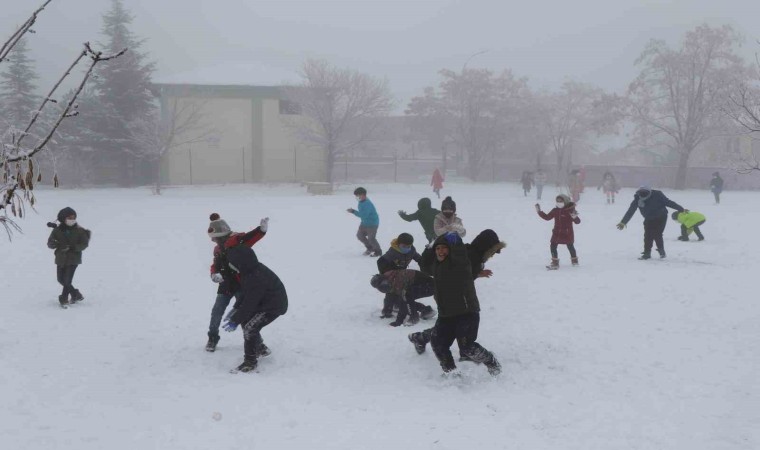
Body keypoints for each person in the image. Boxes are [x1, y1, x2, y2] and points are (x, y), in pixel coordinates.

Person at [407, 233, 501, 376]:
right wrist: (429, 246)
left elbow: (460, 255)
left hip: (466, 312)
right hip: (446, 313)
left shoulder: (459, 263)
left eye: (445, 248)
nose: (441, 251)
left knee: (467, 347)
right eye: (438, 249)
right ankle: (451, 373)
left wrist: (454, 239)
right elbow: (425, 265)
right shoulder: (437, 266)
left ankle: (491, 362)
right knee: (438, 344)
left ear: (451, 250)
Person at [206, 213, 269, 352]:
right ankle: (212, 337)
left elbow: (250, 237)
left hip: (242, 285)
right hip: (225, 286)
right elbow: (215, 264)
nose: (212, 241)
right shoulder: (217, 249)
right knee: (216, 312)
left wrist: (261, 230)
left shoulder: (237, 240)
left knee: (245, 314)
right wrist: (214, 274)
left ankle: (258, 344)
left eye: (214, 238)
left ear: (220, 234)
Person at [222, 244, 288, 373]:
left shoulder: (256, 277)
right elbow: (246, 294)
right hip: (263, 302)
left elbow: (250, 302)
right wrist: (236, 308)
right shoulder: (249, 272)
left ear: (241, 262)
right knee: (246, 321)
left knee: (250, 327)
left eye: (233, 263)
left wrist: (235, 319)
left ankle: (250, 362)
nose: (231, 266)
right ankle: (260, 348)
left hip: (273, 306)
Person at [376, 233, 434, 325]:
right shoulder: (392, 252)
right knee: (391, 293)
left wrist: (425, 266)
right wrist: (386, 273)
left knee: (403, 297)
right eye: (404, 246)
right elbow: (380, 261)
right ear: (398, 244)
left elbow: (419, 258)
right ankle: (387, 310)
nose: (406, 248)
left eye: (408, 246)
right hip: (393, 275)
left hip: (404, 276)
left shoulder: (411, 250)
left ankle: (424, 310)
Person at [617, 186, 684, 260]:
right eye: (641, 194)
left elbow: (668, 202)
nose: (643, 196)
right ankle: (647, 253)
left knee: (657, 234)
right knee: (647, 235)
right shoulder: (637, 199)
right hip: (649, 218)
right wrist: (623, 222)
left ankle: (661, 251)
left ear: (649, 192)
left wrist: (681, 209)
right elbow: (631, 211)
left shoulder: (657, 195)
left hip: (661, 216)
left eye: (645, 194)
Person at [46, 207, 91, 308]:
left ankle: (64, 299)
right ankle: (76, 294)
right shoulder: (57, 230)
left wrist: (73, 247)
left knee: (67, 281)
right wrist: (52, 244)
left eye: (73, 217)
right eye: (69, 217)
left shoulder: (80, 230)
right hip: (60, 258)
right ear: (63, 218)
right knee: (60, 279)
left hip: (73, 258)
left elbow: (84, 244)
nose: (72, 219)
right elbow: (50, 242)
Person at [536, 194, 581, 269]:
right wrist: (539, 212)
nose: (559, 202)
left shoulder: (570, 211)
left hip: (567, 233)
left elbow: (578, 222)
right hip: (557, 232)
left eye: (561, 201)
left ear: (565, 201)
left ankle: (574, 261)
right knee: (553, 246)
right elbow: (547, 217)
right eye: (557, 201)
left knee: (570, 246)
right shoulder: (555, 210)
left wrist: (575, 217)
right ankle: (555, 262)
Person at [347, 187, 382, 256]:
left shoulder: (367, 203)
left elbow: (364, 215)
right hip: (364, 223)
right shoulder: (361, 202)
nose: (357, 197)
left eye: (358, 195)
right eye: (356, 195)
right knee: (360, 236)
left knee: (371, 238)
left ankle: (378, 251)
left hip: (372, 223)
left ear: (363, 195)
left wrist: (353, 211)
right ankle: (370, 248)